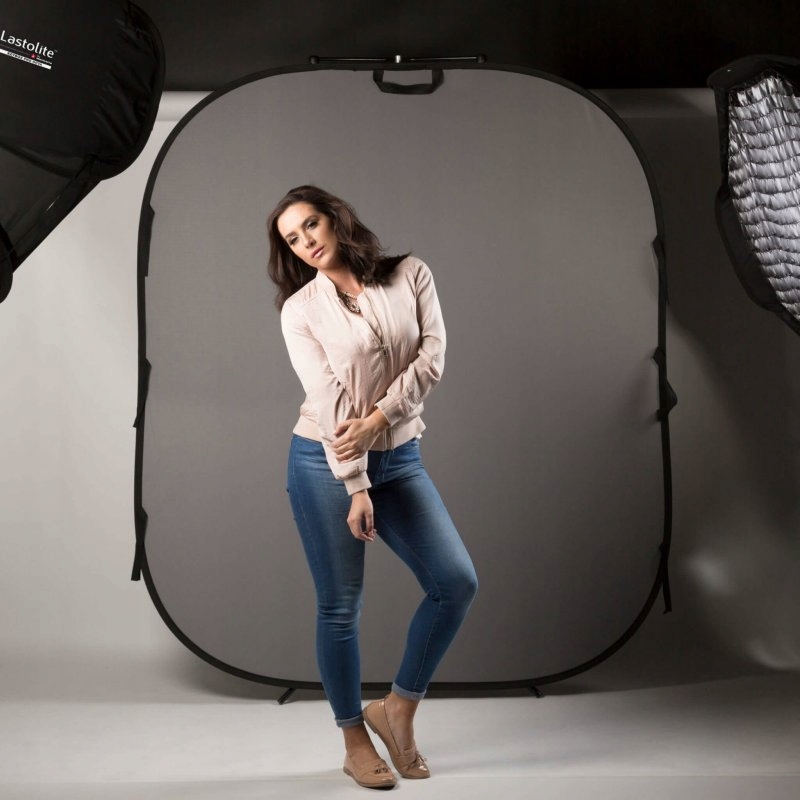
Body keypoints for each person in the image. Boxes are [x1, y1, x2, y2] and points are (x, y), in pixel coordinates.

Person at [266, 185, 478, 790]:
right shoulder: (300, 311)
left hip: (400, 456)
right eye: (292, 238)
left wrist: (381, 417)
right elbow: (328, 398)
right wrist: (356, 484)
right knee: (340, 607)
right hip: (324, 463)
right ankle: (354, 738)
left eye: (311, 225)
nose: (306, 242)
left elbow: (432, 357)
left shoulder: (410, 273)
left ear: (336, 219)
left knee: (455, 583)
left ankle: (398, 708)